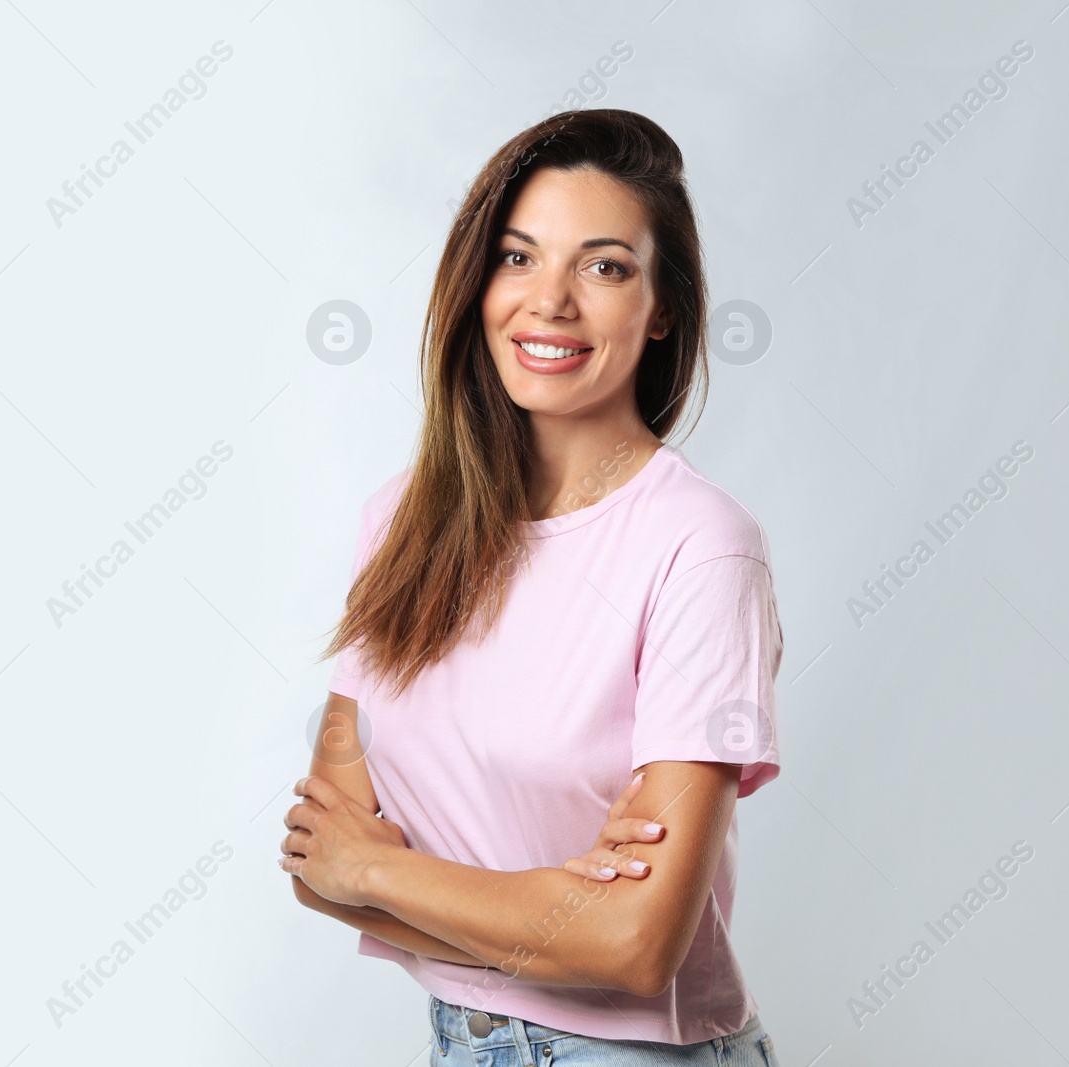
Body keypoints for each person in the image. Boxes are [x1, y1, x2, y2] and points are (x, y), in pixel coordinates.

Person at [281, 108, 784, 1066]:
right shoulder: (407, 521)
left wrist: (383, 870)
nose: (548, 301)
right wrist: (552, 908)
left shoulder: (701, 550)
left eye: (604, 266)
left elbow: (635, 947)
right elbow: (318, 864)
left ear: (664, 307)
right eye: (518, 257)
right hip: (457, 1045)